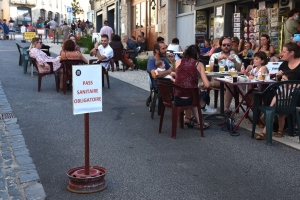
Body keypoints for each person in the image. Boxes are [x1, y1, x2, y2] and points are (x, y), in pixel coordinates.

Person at [174, 45, 213, 129]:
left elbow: (180, 79)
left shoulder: (178, 62)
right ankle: (202, 110)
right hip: (191, 99)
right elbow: (207, 85)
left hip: (177, 98)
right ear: (197, 54)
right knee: (202, 94)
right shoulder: (199, 64)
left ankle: (187, 118)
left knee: (192, 92)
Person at [256, 70, 298, 140]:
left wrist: (289, 88)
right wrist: (271, 106)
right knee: (277, 117)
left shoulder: (293, 89)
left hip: (288, 107)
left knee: (281, 118)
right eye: (282, 78)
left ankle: (279, 130)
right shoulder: (281, 87)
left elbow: (290, 97)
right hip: (278, 106)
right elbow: (275, 97)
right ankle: (265, 132)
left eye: (284, 79)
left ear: (290, 81)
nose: (282, 80)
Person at [209, 36, 242, 114]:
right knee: (230, 83)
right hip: (217, 79)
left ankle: (226, 108)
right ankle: (227, 108)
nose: (226, 47)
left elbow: (239, 68)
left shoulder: (234, 56)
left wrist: (235, 61)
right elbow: (210, 68)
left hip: (230, 79)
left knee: (231, 83)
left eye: (228, 45)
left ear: (231, 46)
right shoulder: (215, 55)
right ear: (221, 46)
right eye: (224, 45)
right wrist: (218, 59)